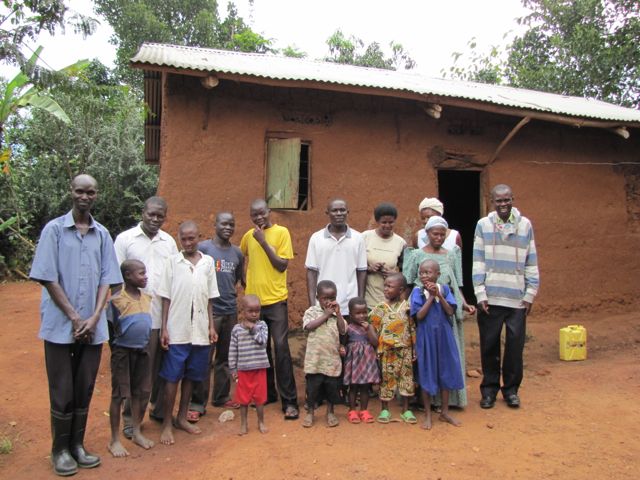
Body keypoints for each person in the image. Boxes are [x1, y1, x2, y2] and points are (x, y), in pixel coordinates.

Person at [30, 174, 122, 476]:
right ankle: (59, 450)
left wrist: (94, 318)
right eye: (80, 191)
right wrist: (73, 317)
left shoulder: (103, 235)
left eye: (91, 192)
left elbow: (107, 280)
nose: (85, 197)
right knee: (62, 390)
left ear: (97, 195)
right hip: (60, 325)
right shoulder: (54, 231)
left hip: (92, 328)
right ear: (71, 192)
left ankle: (78, 446)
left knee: (84, 387)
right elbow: (47, 276)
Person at [114, 196, 178, 432]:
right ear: (143, 212)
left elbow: (172, 277)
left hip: (163, 314)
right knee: (138, 370)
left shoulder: (169, 242)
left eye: (160, 215)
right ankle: (131, 420)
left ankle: (159, 411)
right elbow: (115, 279)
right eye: (151, 214)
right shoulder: (125, 240)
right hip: (136, 315)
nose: (155, 219)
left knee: (162, 366)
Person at [473, 184, 539, 409]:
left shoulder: (525, 225)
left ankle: (511, 390)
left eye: (506, 200)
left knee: (514, 347)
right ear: (492, 201)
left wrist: (530, 294)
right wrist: (480, 292)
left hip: (517, 298)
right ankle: (489, 390)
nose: (503, 204)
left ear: (513, 199)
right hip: (490, 297)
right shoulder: (483, 225)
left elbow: (531, 260)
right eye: (498, 201)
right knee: (489, 346)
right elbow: (478, 260)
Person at [157, 221, 219, 445]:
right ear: (179, 239)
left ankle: (182, 418)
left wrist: (211, 326)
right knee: (172, 377)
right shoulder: (172, 262)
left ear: (198, 237)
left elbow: (210, 299)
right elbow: (165, 297)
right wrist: (164, 327)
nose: (188, 242)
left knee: (192, 376)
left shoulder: (208, 263)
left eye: (192, 238)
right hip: (177, 329)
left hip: (200, 330)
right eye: (184, 239)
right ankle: (166, 423)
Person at [403, 215, 475, 408]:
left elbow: (457, 284)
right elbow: (408, 284)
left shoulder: (451, 254)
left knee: (446, 355)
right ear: (427, 234)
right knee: (423, 354)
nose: (439, 237)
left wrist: (465, 304)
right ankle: (423, 399)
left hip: (445, 309)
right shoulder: (416, 255)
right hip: (422, 308)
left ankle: (448, 400)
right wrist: (403, 308)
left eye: (443, 234)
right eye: (435, 234)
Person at [240, 199, 299, 420]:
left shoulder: (281, 232)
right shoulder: (248, 236)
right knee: (260, 349)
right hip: (254, 304)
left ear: (269, 211)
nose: (258, 218)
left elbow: (281, 264)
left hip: (276, 301)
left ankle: (290, 402)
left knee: (281, 348)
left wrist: (264, 242)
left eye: (262, 213)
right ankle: (268, 394)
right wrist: (243, 281)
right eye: (254, 215)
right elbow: (241, 257)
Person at [189, 212, 245, 421]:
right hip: (208, 312)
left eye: (232, 224)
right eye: (224, 223)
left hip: (230, 310)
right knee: (204, 357)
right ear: (215, 225)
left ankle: (221, 396)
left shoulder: (237, 253)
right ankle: (197, 403)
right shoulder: (204, 249)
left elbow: (237, 278)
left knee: (225, 358)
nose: (228, 227)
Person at [107, 259, 155, 457]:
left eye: (145, 273)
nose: (145, 277)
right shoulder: (117, 300)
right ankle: (114, 440)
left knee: (140, 392)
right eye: (141, 273)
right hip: (122, 352)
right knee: (119, 394)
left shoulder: (147, 298)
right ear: (128, 276)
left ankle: (136, 431)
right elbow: (110, 329)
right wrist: (117, 350)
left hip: (141, 351)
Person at [410, 259, 464, 430]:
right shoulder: (417, 292)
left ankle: (445, 412)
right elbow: (419, 317)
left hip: (444, 336)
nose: (425, 275)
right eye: (422, 272)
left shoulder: (445, 289)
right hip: (426, 337)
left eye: (429, 272)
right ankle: (427, 413)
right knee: (427, 371)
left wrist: (439, 295)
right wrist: (431, 298)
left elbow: (450, 311)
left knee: (445, 370)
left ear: (438, 274)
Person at [305, 198, 367, 316]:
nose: (339, 214)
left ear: (347, 212)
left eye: (342, 210)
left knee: (347, 334)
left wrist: (359, 301)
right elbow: (311, 272)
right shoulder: (316, 238)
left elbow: (362, 271)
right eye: (334, 210)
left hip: (350, 304)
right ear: (327, 213)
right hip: (323, 305)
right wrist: (312, 304)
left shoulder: (358, 238)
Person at [370, 273, 417, 424]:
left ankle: (406, 409)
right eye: (385, 286)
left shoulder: (407, 308)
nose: (386, 289)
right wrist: (377, 346)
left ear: (401, 289)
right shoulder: (380, 308)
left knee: (406, 379)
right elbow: (372, 327)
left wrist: (414, 348)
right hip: (387, 351)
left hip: (405, 350)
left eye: (390, 286)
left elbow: (412, 329)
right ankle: (385, 409)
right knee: (387, 379)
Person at [301, 280, 346, 428]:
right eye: (325, 298)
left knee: (331, 389)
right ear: (317, 297)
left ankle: (330, 412)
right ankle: (310, 413)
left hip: (331, 361)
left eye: (332, 298)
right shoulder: (311, 312)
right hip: (315, 360)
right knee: (313, 389)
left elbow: (343, 330)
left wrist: (337, 314)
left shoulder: (336, 313)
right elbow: (309, 326)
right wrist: (326, 314)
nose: (328, 301)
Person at [229, 295, 270, 435]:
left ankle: (261, 422)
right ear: (242, 311)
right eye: (250, 311)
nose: (254, 314)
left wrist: (253, 329)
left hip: (259, 368)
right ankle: (243, 424)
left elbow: (263, 341)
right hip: (243, 370)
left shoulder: (262, 326)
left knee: (259, 398)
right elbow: (233, 350)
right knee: (243, 399)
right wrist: (233, 368)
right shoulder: (236, 329)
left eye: (257, 311)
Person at [362, 203, 407, 309]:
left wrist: (395, 274)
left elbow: (406, 272)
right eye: (384, 222)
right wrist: (370, 268)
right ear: (377, 221)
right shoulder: (365, 237)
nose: (387, 225)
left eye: (391, 222)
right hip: (368, 299)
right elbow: (354, 264)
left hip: (391, 303)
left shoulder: (401, 243)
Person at [342, 297, 379, 424]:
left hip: (367, 362)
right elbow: (344, 343)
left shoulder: (370, 327)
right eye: (358, 313)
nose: (362, 315)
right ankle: (352, 410)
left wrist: (368, 329)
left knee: (364, 387)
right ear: (351, 314)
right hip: (353, 362)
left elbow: (375, 342)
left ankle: (364, 410)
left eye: (364, 312)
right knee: (353, 387)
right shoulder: (349, 328)